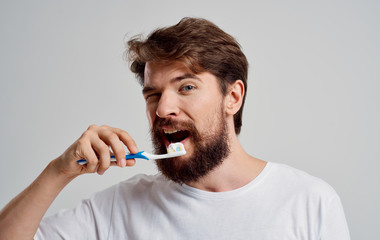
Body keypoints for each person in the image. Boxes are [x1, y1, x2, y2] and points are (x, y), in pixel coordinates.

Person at [0, 17, 350, 239]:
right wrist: (58, 171)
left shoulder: (309, 202)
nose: (162, 109)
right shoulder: (119, 208)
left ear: (233, 97)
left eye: (186, 87)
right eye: (153, 94)